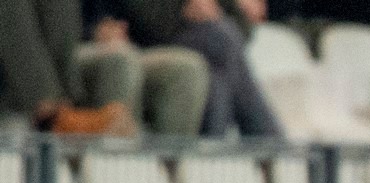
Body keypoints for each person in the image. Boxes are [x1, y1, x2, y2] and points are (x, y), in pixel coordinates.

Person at [87, 0, 283, 138]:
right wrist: (184, 9)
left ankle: (214, 148)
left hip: (203, 45)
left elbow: (244, 29)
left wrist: (214, 11)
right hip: (145, 43)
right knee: (221, 40)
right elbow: (146, 22)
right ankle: (268, 143)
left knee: (219, 65)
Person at [0, 0, 143, 134]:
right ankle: (52, 112)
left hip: (68, 71)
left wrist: (98, 27)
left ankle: (66, 110)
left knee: (120, 59)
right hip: (15, 85)